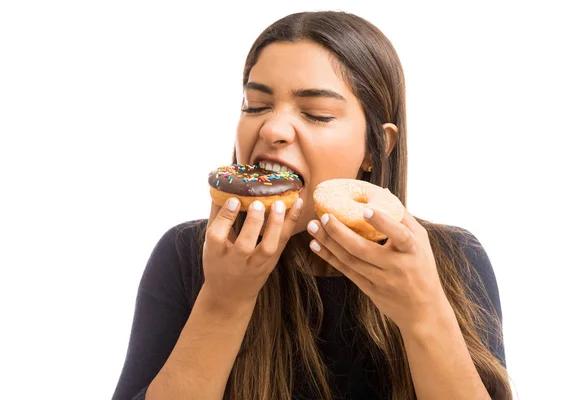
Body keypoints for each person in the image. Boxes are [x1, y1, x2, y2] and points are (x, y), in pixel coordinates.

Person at [112, 10, 511, 400]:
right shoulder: (188, 254)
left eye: (316, 114)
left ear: (376, 147)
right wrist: (223, 300)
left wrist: (424, 315)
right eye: (255, 105)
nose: (273, 129)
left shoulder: (454, 259)